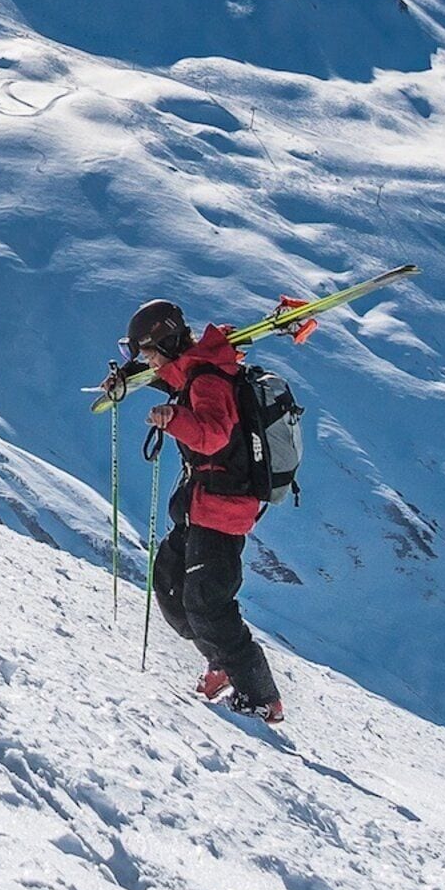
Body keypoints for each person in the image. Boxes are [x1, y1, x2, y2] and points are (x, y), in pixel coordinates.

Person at [121, 297, 284, 723]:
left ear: (169, 341)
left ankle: (261, 696)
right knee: (170, 586)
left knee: (208, 605)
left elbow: (212, 436)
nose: (148, 360)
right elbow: (172, 376)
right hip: (199, 505)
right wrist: (127, 376)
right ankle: (222, 664)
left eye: (148, 351)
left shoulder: (208, 382)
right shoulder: (190, 371)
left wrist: (172, 418)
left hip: (223, 510)